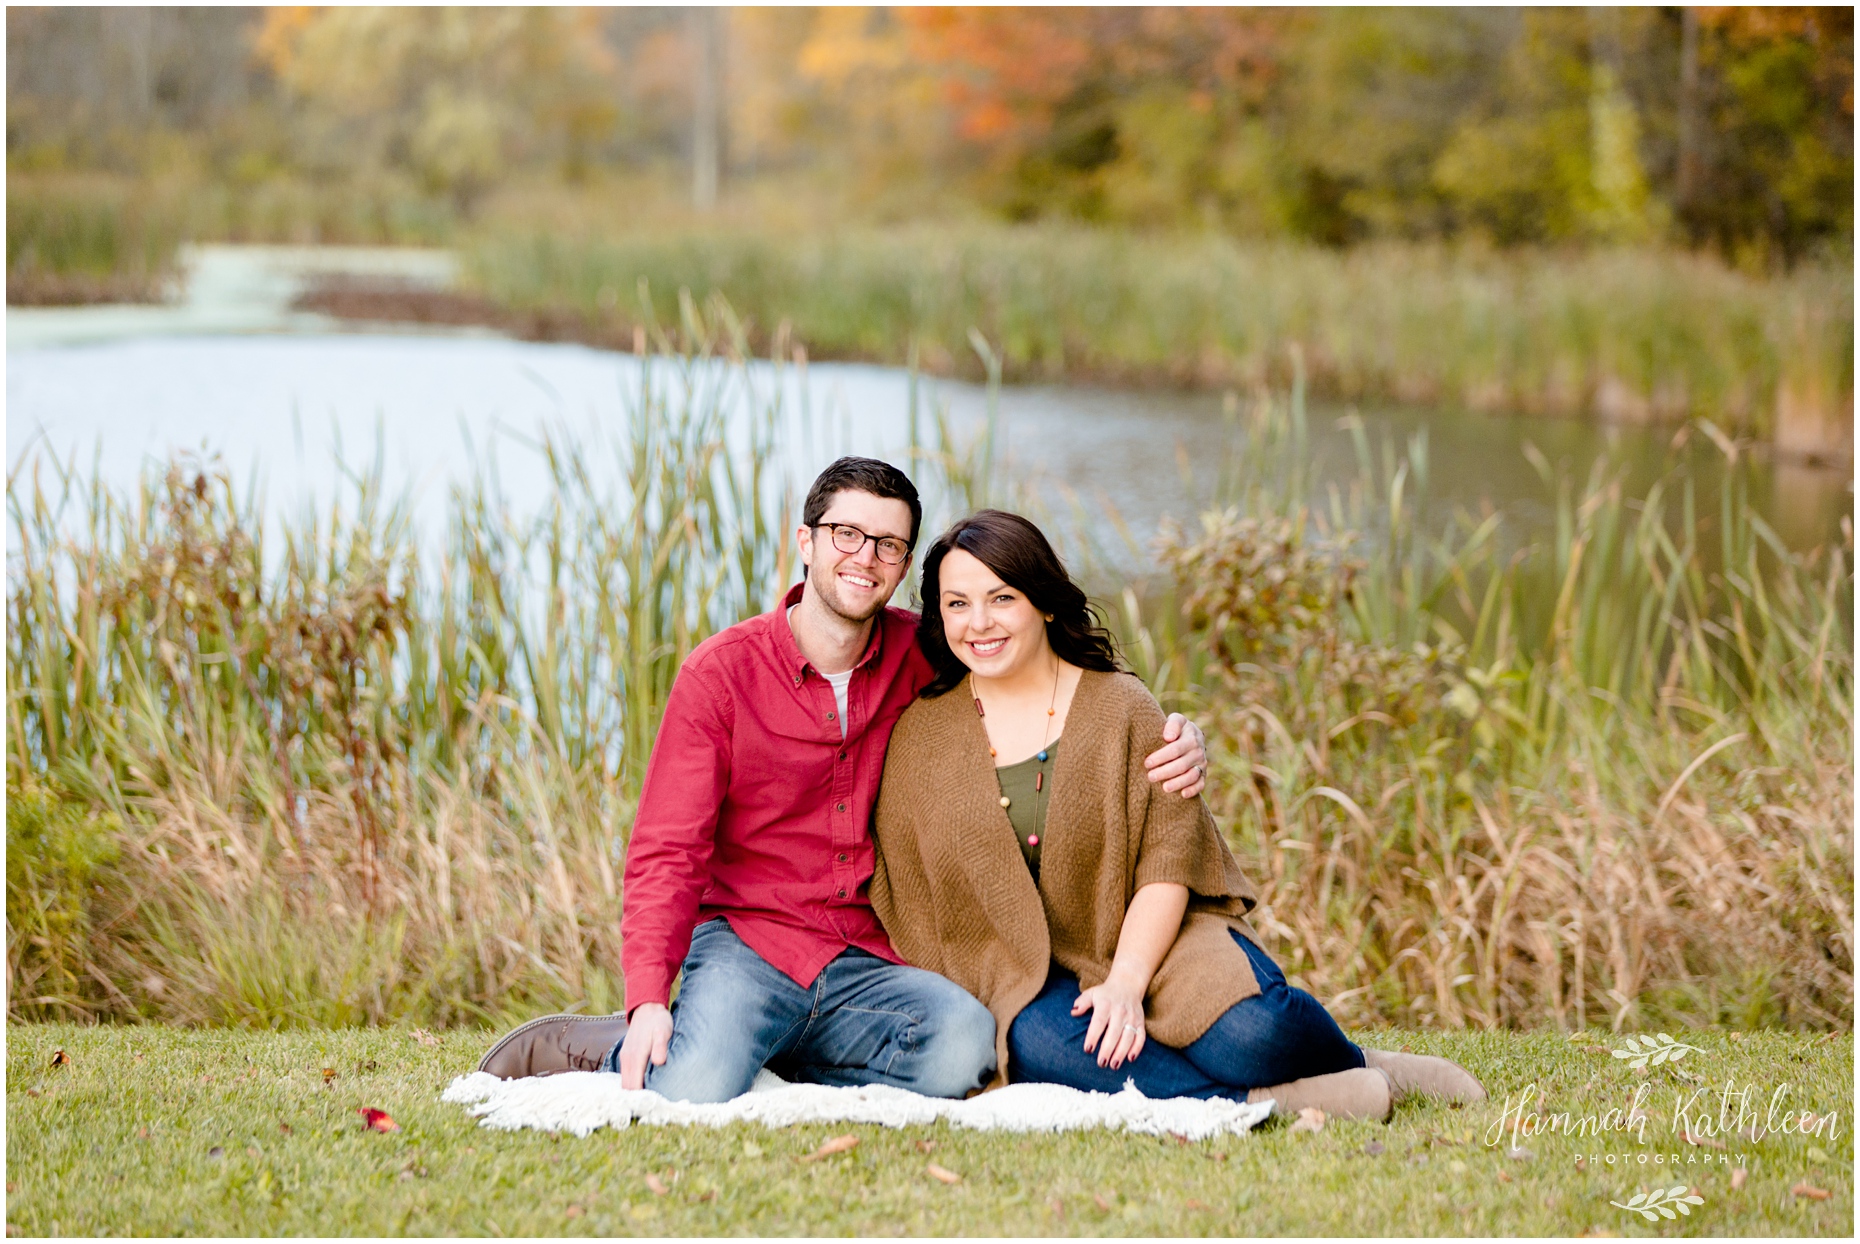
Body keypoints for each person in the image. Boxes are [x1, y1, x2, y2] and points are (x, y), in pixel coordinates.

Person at [478, 459, 1213, 1100]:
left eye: (889, 544)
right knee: (695, 1089)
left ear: (902, 566)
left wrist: (1173, 729)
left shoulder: (925, 656)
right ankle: (604, 1046)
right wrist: (646, 999)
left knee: (962, 1052)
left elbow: (1037, 675)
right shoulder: (719, 675)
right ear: (808, 542)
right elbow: (667, 853)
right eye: (847, 535)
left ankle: (768, 1050)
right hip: (750, 941)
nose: (865, 557)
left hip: (872, 949)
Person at [869, 510, 1486, 1119]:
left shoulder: (1119, 706)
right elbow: (919, 895)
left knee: (1255, 1035)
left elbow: (1168, 857)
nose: (979, 623)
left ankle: (1362, 1062)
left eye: (1001, 598)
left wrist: (1127, 983)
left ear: (1046, 604)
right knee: (1038, 1045)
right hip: (1020, 973)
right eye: (956, 604)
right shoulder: (923, 736)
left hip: (1150, 935)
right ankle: (1261, 1105)